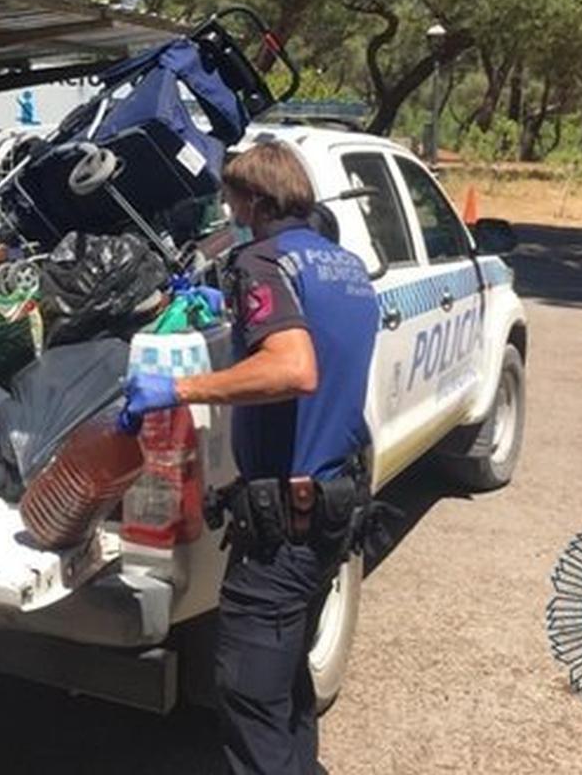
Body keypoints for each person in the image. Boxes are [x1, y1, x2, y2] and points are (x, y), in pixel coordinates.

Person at [120, 142, 379, 775]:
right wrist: (236, 316)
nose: (229, 213)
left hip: (284, 525)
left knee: (248, 692)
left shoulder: (259, 261)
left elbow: (294, 368)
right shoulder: (343, 265)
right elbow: (319, 342)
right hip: (334, 509)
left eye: (232, 201)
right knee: (286, 679)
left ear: (257, 202)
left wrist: (179, 388)